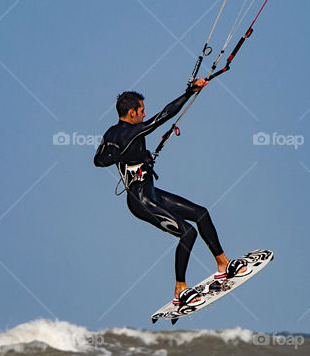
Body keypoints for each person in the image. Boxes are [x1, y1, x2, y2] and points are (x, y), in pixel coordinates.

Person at [93, 78, 242, 306]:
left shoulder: (111, 133)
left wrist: (137, 158)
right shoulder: (129, 133)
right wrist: (189, 92)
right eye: (141, 110)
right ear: (131, 112)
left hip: (151, 193)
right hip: (140, 201)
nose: (144, 114)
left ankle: (222, 262)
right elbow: (163, 116)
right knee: (187, 233)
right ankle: (180, 289)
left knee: (200, 213)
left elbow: (102, 158)